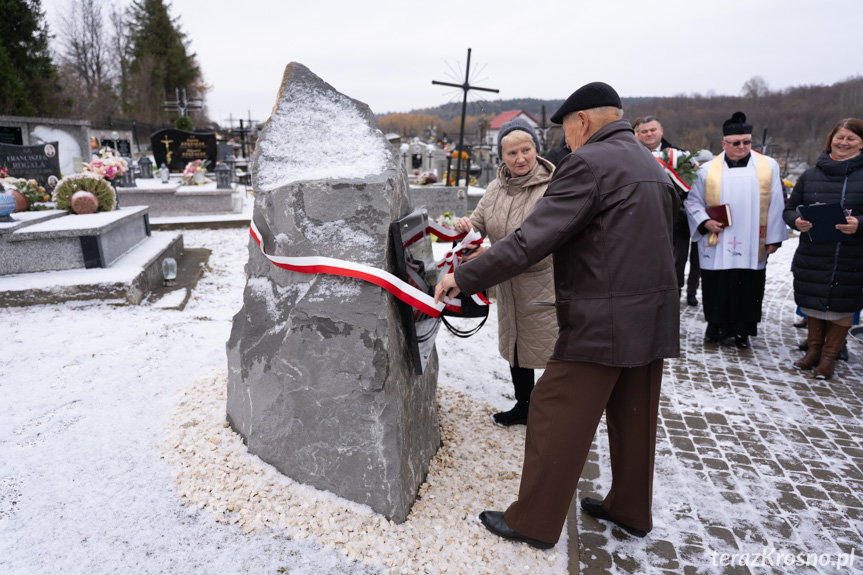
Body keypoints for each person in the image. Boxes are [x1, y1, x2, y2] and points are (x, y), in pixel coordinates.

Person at [435, 82, 680, 548]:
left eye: (566, 131)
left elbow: (532, 240)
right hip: (652, 312)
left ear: (582, 122)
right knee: (635, 413)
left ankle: (533, 521)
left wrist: (465, 277)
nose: (566, 142)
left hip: (603, 318)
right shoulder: (648, 162)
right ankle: (630, 509)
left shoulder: (588, 163)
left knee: (550, 407)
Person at [453, 118, 557, 427]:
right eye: (512, 153)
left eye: (526, 150)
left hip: (544, 283)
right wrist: (466, 228)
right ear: (502, 157)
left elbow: (540, 244)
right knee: (516, 348)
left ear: (536, 150)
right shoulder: (496, 188)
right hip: (509, 285)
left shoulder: (551, 189)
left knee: (550, 351)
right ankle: (524, 406)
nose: (520, 158)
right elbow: (480, 224)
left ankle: (552, 412)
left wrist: (488, 255)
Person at [685, 111, 786, 348]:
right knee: (717, 287)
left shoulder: (768, 166)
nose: (742, 147)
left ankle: (743, 331)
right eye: (736, 143)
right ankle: (716, 329)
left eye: (747, 142)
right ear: (724, 144)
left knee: (748, 287)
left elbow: (776, 204)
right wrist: (704, 222)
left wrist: (773, 238)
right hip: (717, 239)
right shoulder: (706, 170)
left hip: (753, 241)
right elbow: (692, 201)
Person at [783, 118, 863, 379]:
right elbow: (789, 208)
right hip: (814, 251)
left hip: (851, 254)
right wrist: (796, 220)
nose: (844, 142)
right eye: (840, 137)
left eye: (851, 138)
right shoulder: (810, 174)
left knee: (842, 306)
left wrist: (859, 224)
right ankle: (813, 351)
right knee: (813, 303)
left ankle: (829, 357)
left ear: (861, 143)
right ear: (831, 139)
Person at [638, 115, 701, 306]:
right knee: (671, 259)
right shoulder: (634, 155)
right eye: (644, 131)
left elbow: (694, 181)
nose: (649, 134)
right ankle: (671, 291)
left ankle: (691, 291)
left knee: (688, 256)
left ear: (661, 131)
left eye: (652, 130)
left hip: (681, 215)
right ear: (638, 134)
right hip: (649, 216)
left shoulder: (680, 155)